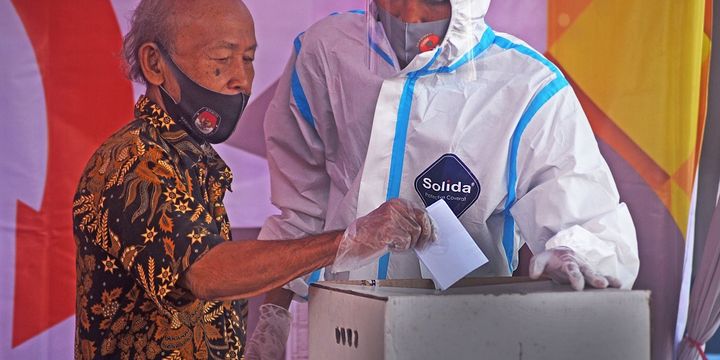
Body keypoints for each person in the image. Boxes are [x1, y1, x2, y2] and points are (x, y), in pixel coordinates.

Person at [249, 0, 641, 357]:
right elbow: (300, 211)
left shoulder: (526, 88)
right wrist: (274, 319)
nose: (408, 17)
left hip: (460, 336)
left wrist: (577, 254)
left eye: (434, 0)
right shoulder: (328, 51)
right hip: (335, 328)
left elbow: (589, 222)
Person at [71, 0, 436, 358]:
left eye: (248, 59)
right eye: (221, 58)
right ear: (155, 64)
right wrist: (350, 239)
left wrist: (273, 316)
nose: (241, 79)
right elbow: (208, 272)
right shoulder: (134, 161)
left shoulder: (187, 158)